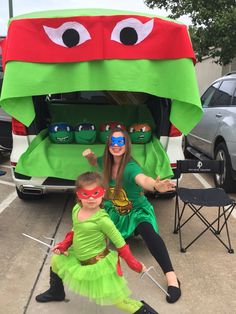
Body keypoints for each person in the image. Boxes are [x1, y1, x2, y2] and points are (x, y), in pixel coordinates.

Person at [36, 171, 158, 314]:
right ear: (78, 194)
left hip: (98, 266)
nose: (91, 198)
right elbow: (75, 229)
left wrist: (134, 264)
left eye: (95, 193)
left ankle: (145, 311)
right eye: (85, 194)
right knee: (56, 260)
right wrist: (64, 244)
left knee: (120, 302)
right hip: (79, 259)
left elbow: (121, 244)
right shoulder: (77, 209)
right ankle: (56, 292)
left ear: (103, 193)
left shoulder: (103, 220)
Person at [82, 129, 181, 304]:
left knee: (149, 234)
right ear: (108, 145)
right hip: (116, 211)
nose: (116, 145)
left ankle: (172, 278)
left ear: (127, 145)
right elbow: (93, 161)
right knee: (92, 229)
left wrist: (155, 186)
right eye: (113, 142)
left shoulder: (130, 167)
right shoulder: (105, 162)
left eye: (120, 142)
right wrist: (88, 156)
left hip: (136, 210)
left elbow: (143, 180)